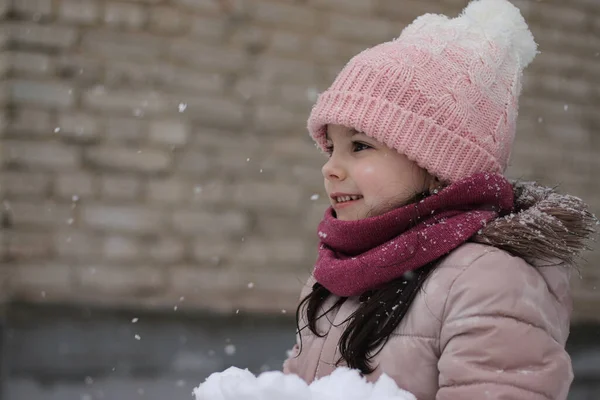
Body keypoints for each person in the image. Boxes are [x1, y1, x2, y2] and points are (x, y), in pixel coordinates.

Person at [282, 0, 598, 398]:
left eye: (360, 146)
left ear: (435, 166)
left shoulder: (486, 281)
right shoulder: (334, 274)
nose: (331, 168)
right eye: (332, 148)